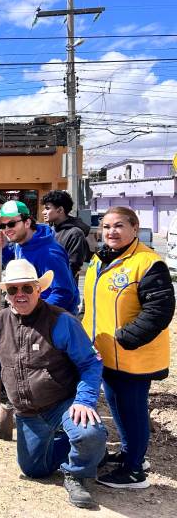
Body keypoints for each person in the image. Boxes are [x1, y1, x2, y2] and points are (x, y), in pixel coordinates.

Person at [0, 259, 107, 509]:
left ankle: (77, 473)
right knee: (33, 470)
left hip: (62, 404)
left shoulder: (62, 321)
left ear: (39, 289)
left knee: (90, 432)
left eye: (27, 288)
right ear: (6, 293)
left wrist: (84, 400)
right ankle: (90, 452)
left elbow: (90, 364)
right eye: (13, 289)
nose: (20, 294)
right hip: (27, 413)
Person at [82, 207, 174, 489]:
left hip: (133, 357)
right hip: (106, 355)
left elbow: (160, 309)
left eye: (119, 225)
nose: (111, 231)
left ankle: (135, 472)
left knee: (132, 411)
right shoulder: (101, 260)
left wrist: (126, 337)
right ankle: (131, 453)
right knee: (118, 407)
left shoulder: (147, 262)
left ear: (135, 228)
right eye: (106, 226)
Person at [0, 200, 79, 314]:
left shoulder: (49, 253)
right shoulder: (21, 243)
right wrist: (3, 248)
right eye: (3, 225)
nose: (7, 229)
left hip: (53, 319)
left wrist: (36, 315)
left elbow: (64, 292)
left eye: (11, 224)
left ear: (27, 223)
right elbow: (16, 268)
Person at [42, 190, 90, 284]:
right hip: (45, 287)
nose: (43, 212)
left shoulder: (75, 233)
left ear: (60, 210)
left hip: (63, 289)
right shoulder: (49, 230)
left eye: (47, 208)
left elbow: (73, 267)